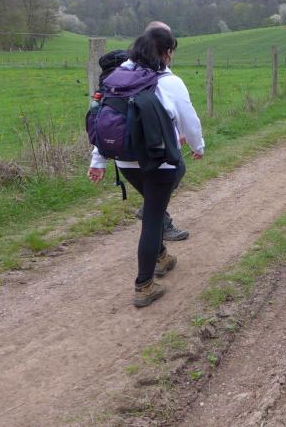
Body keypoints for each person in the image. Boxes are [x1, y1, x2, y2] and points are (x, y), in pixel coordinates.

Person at [88, 26, 205, 307]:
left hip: (125, 160)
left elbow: (105, 120)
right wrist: (198, 146)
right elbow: (189, 120)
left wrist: (98, 160)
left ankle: (161, 256)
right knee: (153, 216)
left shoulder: (116, 78)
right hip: (159, 162)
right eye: (171, 52)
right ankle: (144, 286)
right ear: (166, 52)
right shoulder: (170, 82)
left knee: (154, 207)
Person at [98, 48, 190, 241]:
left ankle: (157, 240)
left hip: (123, 155)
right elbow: (162, 113)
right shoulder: (147, 81)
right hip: (152, 151)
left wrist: (97, 160)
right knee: (170, 177)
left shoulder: (111, 87)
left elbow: (103, 125)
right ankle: (158, 230)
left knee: (157, 193)